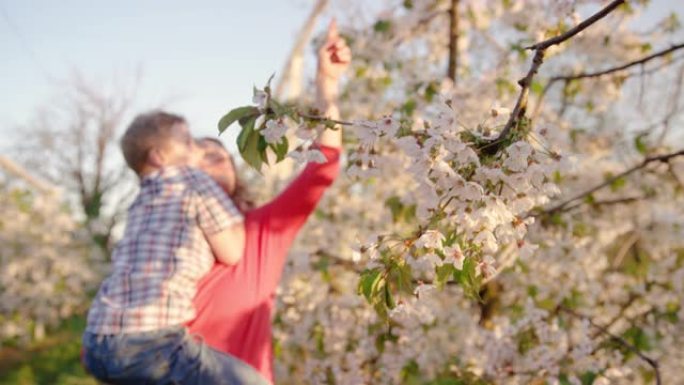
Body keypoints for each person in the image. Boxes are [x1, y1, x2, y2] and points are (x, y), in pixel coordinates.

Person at [186, 20, 350, 384]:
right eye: (192, 162)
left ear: (232, 172)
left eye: (215, 156)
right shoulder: (162, 244)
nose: (204, 166)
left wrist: (327, 86)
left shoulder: (261, 232)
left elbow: (322, 169)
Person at [81, 111, 270, 385]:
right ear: (159, 156)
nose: (197, 149)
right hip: (151, 343)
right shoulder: (193, 180)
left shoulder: (139, 201)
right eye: (188, 142)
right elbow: (232, 251)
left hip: (97, 345)